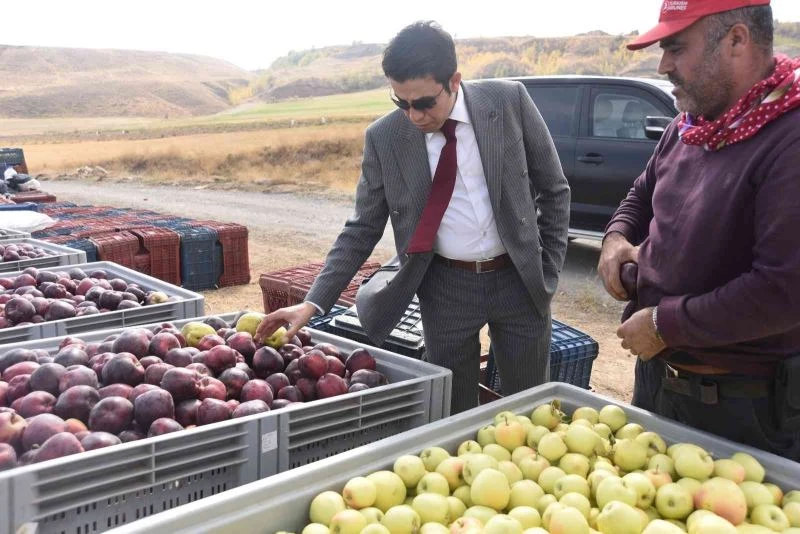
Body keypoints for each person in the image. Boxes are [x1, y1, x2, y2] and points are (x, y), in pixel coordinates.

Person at [257, 21, 570, 414]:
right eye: (400, 103)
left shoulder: (508, 101)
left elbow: (554, 190)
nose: (413, 116)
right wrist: (313, 304)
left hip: (519, 281)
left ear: (454, 80)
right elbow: (362, 228)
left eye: (423, 103)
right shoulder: (384, 138)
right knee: (451, 411)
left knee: (530, 406)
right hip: (445, 288)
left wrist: (548, 271)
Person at [598, 0, 800, 459]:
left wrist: (663, 324)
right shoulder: (688, 127)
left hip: (744, 407)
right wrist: (615, 238)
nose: (663, 65)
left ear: (736, 40)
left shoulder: (789, 138)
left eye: (675, 48)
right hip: (660, 378)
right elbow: (640, 195)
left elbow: (783, 290)